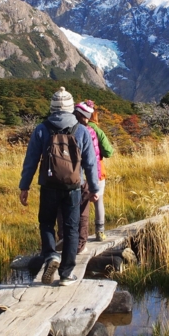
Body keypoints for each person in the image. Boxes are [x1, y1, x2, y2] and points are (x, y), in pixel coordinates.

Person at [19, 87, 99, 286]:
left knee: (46, 222)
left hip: (48, 185)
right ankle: (66, 274)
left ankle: (51, 255)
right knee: (71, 228)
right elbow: (90, 163)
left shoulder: (42, 129)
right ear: (71, 107)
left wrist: (24, 186)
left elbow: (31, 161)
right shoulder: (81, 130)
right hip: (73, 187)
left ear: (52, 106)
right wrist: (94, 189)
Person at [75, 100, 114, 241]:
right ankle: (99, 232)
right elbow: (108, 152)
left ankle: (76, 235)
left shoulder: (72, 128)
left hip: (76, 171)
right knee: (98, 201)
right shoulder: (96, 130)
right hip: (97, 169)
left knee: (78, 203)